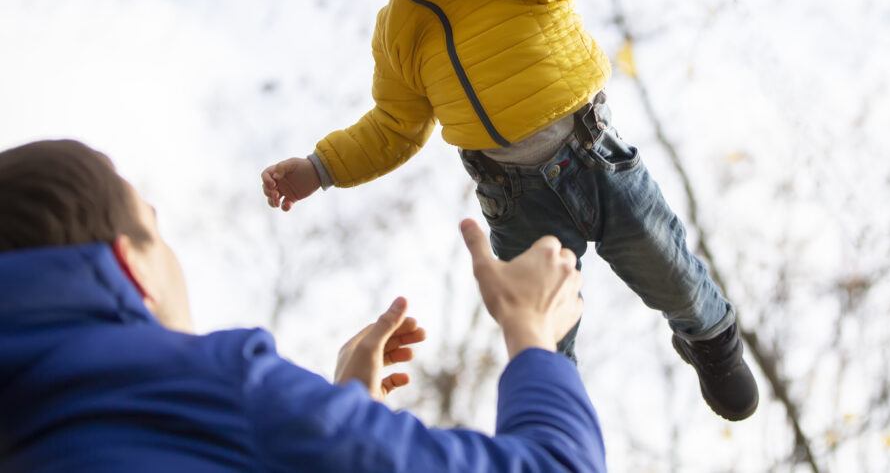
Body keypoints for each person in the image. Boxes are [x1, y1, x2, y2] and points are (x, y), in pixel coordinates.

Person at [260, 0, 758, 421]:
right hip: (513, 196)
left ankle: (712, 339)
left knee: (667, 268)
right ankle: (553, 423)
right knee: (540, 333)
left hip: (592, 156)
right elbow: (393, 125)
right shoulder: (401, 25)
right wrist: (319, 167)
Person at [0, 139, 605, 472]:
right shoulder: (218, 386)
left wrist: (345, 415)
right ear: (130, 265)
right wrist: (531, 332)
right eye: (155, 231)